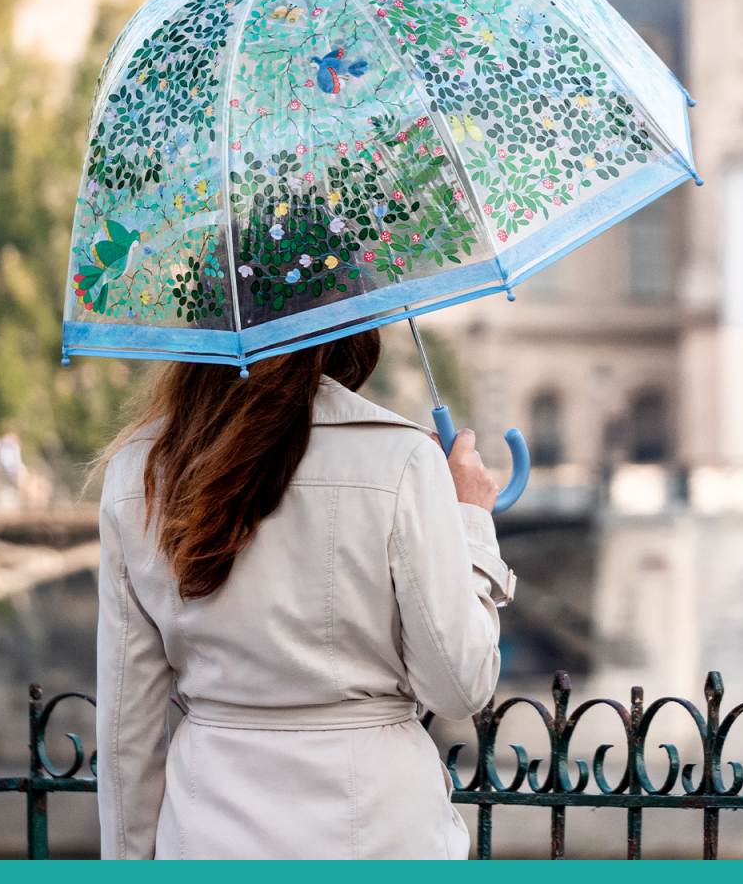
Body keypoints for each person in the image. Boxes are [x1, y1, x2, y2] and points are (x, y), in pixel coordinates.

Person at [93, 329, 514, 859]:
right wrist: (470, 522)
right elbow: (458, 685)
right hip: (381, 830)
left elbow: (127, 724)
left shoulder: (143, 471)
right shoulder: (401, 458)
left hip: (210, 828)